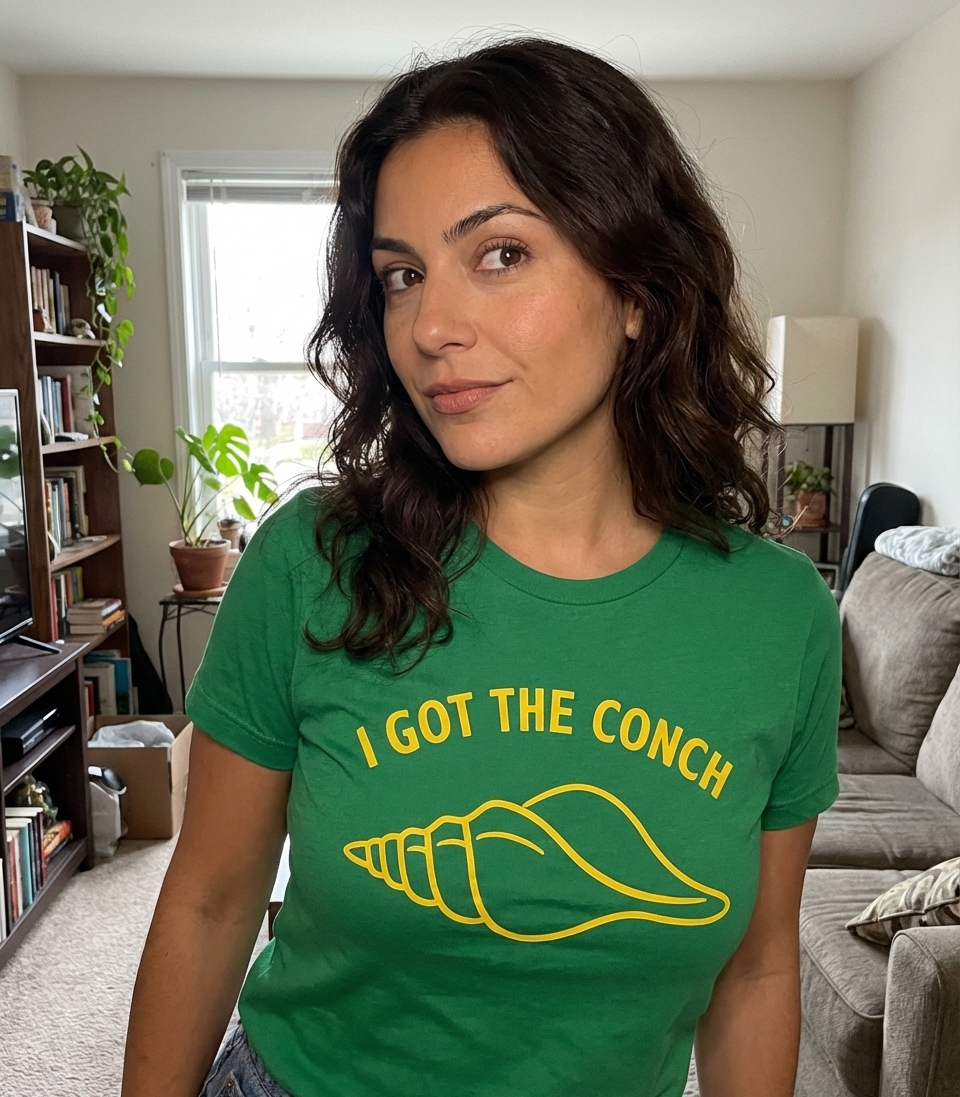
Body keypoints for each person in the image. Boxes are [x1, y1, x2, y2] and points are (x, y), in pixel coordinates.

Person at [122, 39, 840, 1097]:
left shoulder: (780, 614)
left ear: (638, 289)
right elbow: (210, 902)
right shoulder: (312, 561)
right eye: (402, 275)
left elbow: (759, 967)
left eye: (500, 253)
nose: (430, 327)